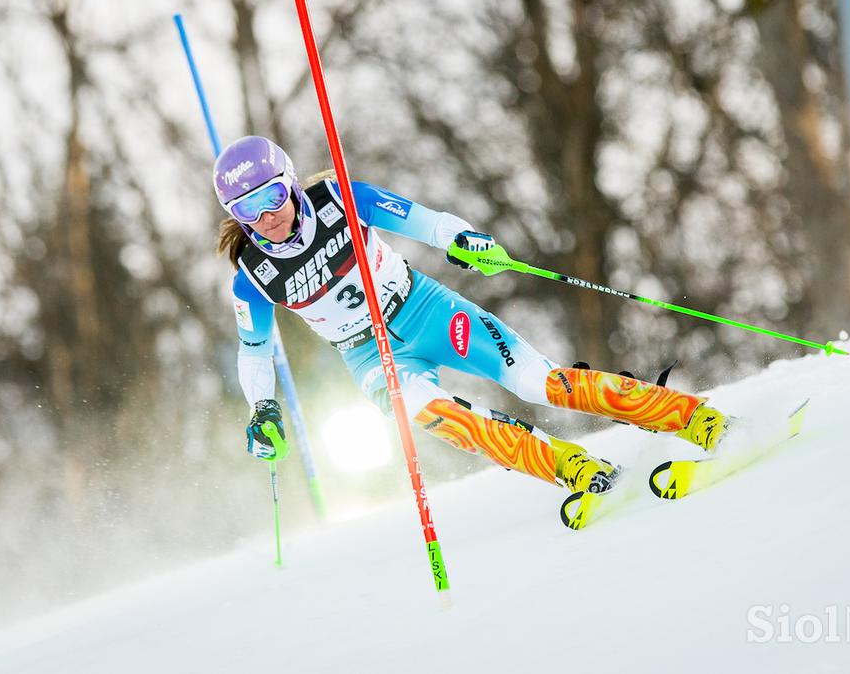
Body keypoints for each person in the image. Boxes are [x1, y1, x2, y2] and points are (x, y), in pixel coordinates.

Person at [214, 135, 729, 506]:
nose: (266, 217)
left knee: (540, 383)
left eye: (271, 197)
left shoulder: (343, 199)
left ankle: (693, 418)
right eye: (247, 209)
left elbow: (427, 222)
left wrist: (464, 240)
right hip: (370, 355)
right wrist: (262, 408)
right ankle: (570, 467)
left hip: (425, 309)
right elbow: (254, 351)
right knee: (443, 418)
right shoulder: (252, 277)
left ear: (289, 182)